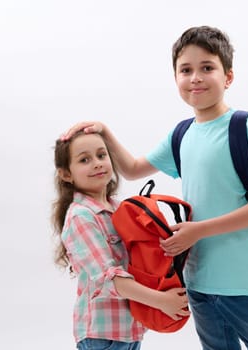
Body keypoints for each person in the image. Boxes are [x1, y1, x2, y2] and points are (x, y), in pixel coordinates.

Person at [62, 25, 248, 350]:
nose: (195, 77)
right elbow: (132, 169)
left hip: (245, 282)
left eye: (207, 68)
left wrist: (197, 231)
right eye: (186, 70)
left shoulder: (243, 128)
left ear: (228, 77)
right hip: (197, 281)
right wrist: (105, 132)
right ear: (176, 80)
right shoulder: (182, 134)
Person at [52, 130, 190, 350]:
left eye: (101, 155)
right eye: (84, 160)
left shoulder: (120, 209)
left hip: (129, 330)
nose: (97, 163)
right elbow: (109, 279)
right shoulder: (81, 216)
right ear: (66, 174)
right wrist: (162, 301)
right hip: (102, 335)